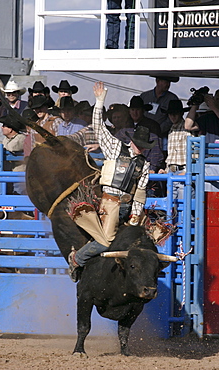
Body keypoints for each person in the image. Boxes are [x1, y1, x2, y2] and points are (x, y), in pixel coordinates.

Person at [67, 81, 154, 281]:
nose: (139, 148)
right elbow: (98, 127)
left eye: (143, 146)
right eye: (138, 144)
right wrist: (99, 101)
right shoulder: (115, 147)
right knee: (106, 241)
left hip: (126, 205)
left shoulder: (144, 165)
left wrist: (135, 215)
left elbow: (140, 192)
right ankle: (77, 259)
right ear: (132, 142)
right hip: (109, 201)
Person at [185, 88, 219, 192]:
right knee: (210, 199)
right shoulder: (208, 117)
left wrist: (214, 108)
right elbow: (188, 126)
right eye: (217, 99)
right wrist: (195, 105)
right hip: (210, 163)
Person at [158, 100, 193, 199]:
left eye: (175, 114)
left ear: (181, 113)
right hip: (171, 172)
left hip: (183, 171)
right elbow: (171, 154)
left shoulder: (188, 128)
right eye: (170, 114)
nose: (172, 116)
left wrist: (188, 170)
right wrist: (166, 169)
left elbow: (194, 152)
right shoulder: (171, 130)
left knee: (184, 205)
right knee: (172, 206)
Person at [140, 76, 179, 157]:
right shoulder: (144, 96)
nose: (168, 84)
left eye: (169, 82)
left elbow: (171, 120)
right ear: (157, 81)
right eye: (165, 81)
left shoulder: (172, 99)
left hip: (161, 137)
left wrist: (158, 130)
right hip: (142, 136)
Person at [0, 115, 26, 194]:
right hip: (9, 174)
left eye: (4, 126)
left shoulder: (21, 138)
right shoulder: (6, 139)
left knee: (18, 196)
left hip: (18, 175)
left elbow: (10, 148)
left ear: (11, 129)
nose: (1, 128)